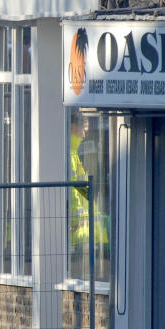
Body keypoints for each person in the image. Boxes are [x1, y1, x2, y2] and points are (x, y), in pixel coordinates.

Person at [68, 111, 109, 280]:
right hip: (79, 229)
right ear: (72, 128)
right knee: (82, 277)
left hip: (82, 228)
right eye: (83, 130)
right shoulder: (70, 155)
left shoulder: (73, 154)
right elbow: (72, 192)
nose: (85, 135)